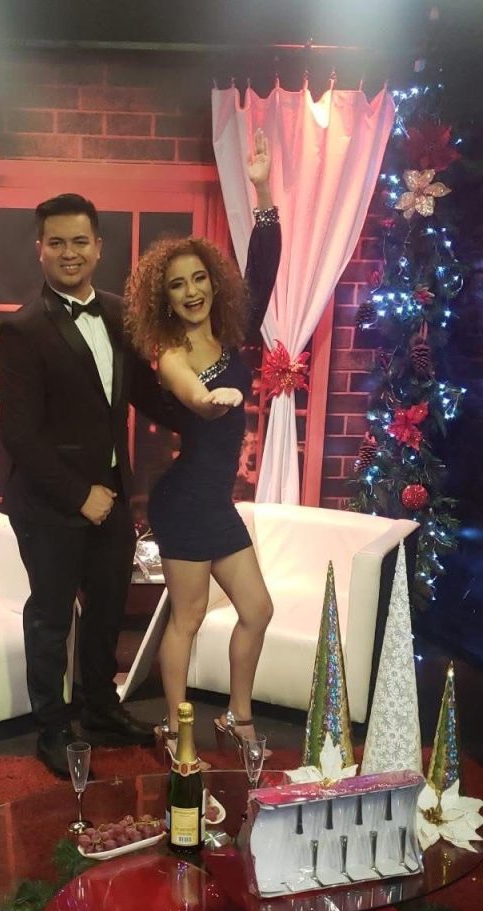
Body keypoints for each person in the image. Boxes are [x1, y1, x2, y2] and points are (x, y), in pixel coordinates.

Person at [0, 193, 180, 779]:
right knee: (51, 617)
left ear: (99, 247)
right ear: (40, 249)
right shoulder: (23, 327)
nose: (69, 252)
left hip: (113, 496)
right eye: (57, 242)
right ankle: (52, 729)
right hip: (50, 501)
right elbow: (19, 435)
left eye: (80, 241)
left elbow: (144, 394)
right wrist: (80, 495)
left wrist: (200, 414)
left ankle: (100, 710)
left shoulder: (121, 314)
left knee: (106, 612)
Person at [124, 129, 281, 761]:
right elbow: (190, 392)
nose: (191, 291)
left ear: (214, 283)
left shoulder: (234, 335)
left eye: (199, 280)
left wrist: (262, 189)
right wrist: (212, 400)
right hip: (185, 502)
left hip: (214, 502)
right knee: (186, 618)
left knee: (258, 609)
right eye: (177, 285)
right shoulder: (170, 352)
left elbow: (264, 265)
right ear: (163, 298)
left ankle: (237, 718)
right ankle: (176, 729)